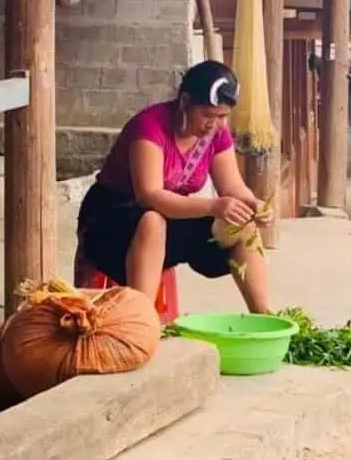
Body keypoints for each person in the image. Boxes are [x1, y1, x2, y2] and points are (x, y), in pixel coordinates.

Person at [76, 60, 273, 313]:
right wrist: (213, 206)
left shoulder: (216, 134)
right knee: (152, 220)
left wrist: (253, 205)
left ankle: (265, 317)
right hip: (111, 223)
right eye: (207, 115)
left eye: (222, 117)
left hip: (169, 219)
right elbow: (149, 196)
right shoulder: (150, 127)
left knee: (244, 226)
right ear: (184, 101)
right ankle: (142, 322)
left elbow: (233, 185)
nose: (214, 124)